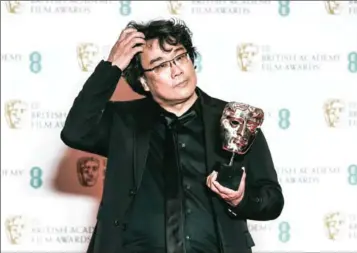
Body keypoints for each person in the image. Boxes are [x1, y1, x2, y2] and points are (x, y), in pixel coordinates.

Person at [60, 18, 284, 253]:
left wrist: (240, 199)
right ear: (144, 82)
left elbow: (272, 200)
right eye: (160, 65)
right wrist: (112, 67)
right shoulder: (124, 121)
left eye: (180, 57)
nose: (176, 70)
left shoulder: (236, 120)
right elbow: (76, 132)